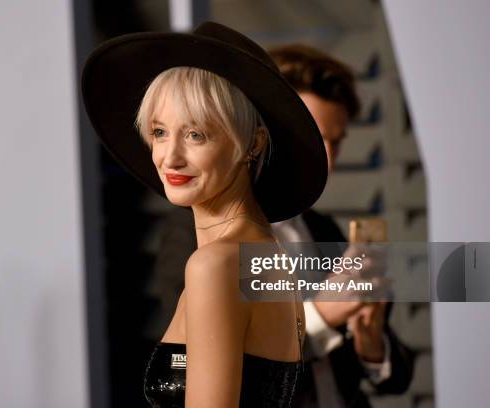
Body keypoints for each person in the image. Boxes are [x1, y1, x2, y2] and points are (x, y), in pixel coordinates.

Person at [147, 44, 413, 407]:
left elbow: (393, 376)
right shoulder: (192, 240)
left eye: (336, 141)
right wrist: (320, 313)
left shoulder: (322, 233)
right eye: (315, 135)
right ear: (272, 130)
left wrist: (370, 341)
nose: (328, 157)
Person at [82, 22, 329, 407]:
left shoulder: (218, 265)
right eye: (160, 131)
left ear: (253, 143)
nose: (170, 157)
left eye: (196, 134)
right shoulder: (261, 252)